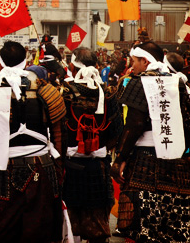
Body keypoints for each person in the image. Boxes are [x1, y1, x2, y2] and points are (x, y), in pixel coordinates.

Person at [0, 41, 65, 243]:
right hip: (42, 169)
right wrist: (59, 169)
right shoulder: (48, 91)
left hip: (2, 172)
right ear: (25, 63)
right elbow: (60, 134)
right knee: (40, 233)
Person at [111, 41, 190, 242]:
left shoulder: (138, 83)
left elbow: (134, 125)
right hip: (175, 160)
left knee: (143, 225)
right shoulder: (178, 82)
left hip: (144, 160)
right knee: (171, 224)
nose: (132, 66)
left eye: (134, 61)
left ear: (145, 60)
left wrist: (120, 158)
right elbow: (188, 121)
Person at [62, 47, 121, 243]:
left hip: (69, 164)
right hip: (99, 164)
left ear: (72, 65)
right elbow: (117, 130)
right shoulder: (108, 92)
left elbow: (56, 128)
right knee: (97, 216)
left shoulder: (63, 91)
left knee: (70, 215)